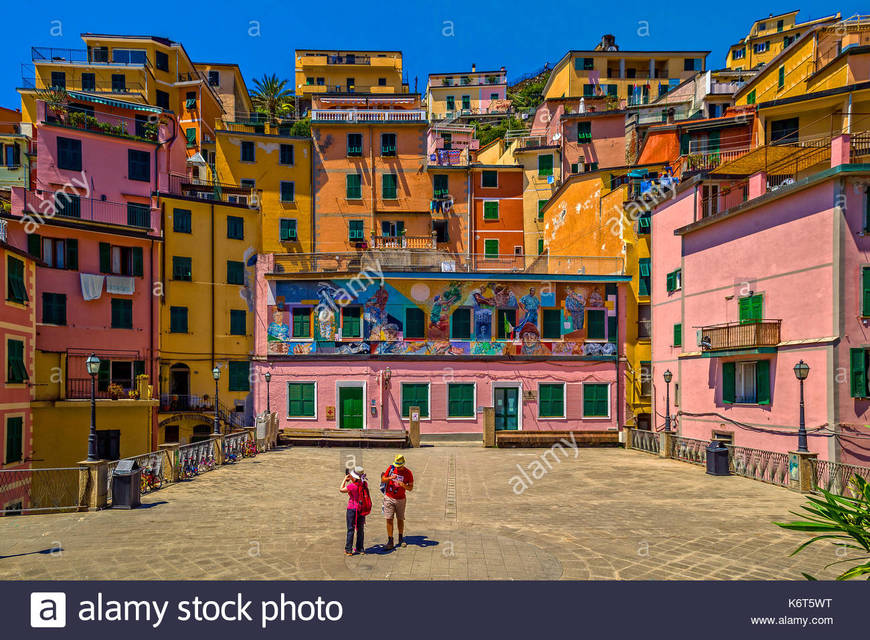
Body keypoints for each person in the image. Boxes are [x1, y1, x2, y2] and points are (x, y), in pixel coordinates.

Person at [382, 454, 414, 550]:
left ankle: (400, 537)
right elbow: (383, 479)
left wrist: (403, 485)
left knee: (400, 519)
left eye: (399, 466)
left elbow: (410, 488)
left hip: (401, 499)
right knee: (389, 519)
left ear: (403, 464)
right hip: (389, 497)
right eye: (396, 466)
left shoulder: (408, 473)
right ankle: (390, 540)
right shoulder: (391, 468)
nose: (397, 468)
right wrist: (390, 478)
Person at [340, 466, 367, 556]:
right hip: (361, 509)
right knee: (360, 529)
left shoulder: (352, 486)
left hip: (352, 509)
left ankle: (348, 550)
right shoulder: (364, 484)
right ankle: (360, 548)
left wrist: (344, 479)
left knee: (350, 529)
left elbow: (341, 489)